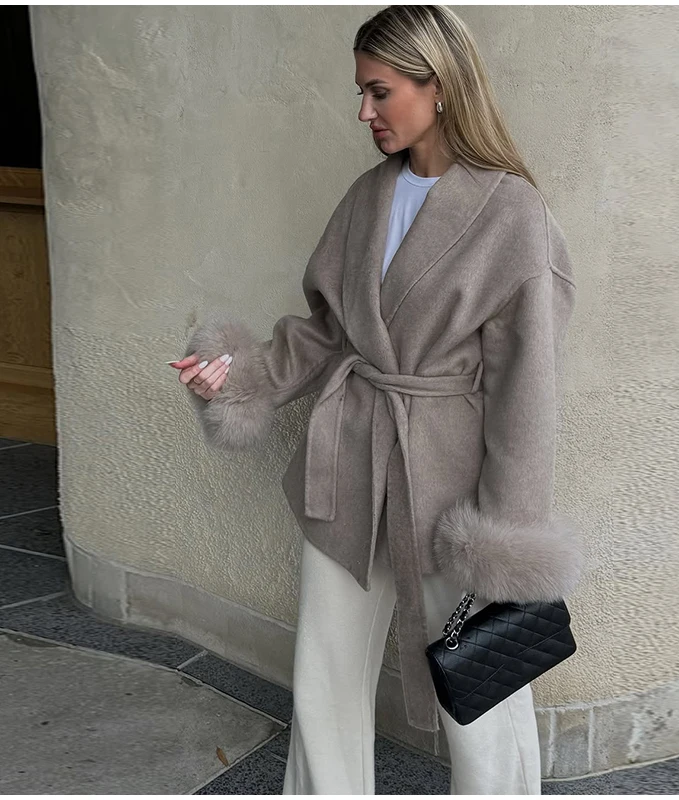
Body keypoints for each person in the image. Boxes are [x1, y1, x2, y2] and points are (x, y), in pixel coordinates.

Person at [171, 6, 583, 794]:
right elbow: (327, 332)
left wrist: (507, 528)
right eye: (361, 92)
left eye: (380, 91)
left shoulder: (512, 213)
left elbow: (526, 385)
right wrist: (236, 377)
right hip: (351, 461)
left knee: (482, 688)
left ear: (440, 86)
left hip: (453, 482)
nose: (364, 112)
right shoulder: (367, 198)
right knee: (324, 673)